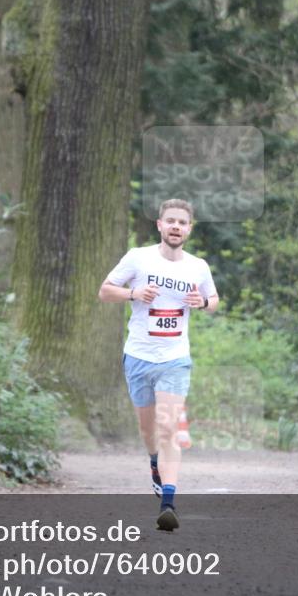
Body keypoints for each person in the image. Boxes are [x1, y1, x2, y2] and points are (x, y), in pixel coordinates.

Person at [98, 199, 219, 531]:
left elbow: (213, 300)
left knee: (168, 430)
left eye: (182, 222)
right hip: (138, 356)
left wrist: (202, 302)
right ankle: (154, 463)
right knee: (148, 432)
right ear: (160, 225)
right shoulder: (139, 257)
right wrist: (133, 294)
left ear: (189, 229)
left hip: (174, 360)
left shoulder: (198, 266)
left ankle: (168, 503)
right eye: (171, 221)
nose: (176, 226)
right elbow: (105, 291)